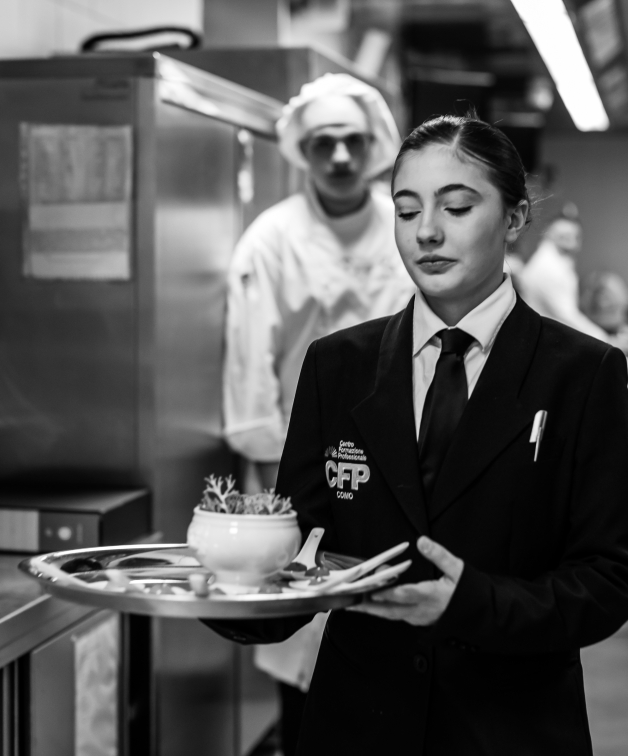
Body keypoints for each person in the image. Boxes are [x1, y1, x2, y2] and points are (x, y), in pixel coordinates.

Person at [210, 114, 628, 755]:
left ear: (515, 217)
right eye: (407, 209)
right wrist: (228, 590)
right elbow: (301, 554)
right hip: (358, 725)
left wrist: (475, 603)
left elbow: (612, 578)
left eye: (458, 207)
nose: (427, 232)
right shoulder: (338, 366)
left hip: (509, 728)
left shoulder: (582, 375)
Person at [221, 72, 413, 756]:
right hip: (299, 467)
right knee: (301, 637)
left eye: (352, 141)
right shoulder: (271, 240)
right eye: (323, 142)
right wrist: (287, 487)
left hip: (404, 468)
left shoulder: (407, 228)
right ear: (302, 150)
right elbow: (251, 368)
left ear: (374, 145)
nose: (339, 156)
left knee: (391, 637)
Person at [510, 207, 610, 341]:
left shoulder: (556, 263)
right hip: (546, 340)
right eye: (566, 237)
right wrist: (604, 339)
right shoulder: (548, 267)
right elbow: (566, 316)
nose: (574, 243)